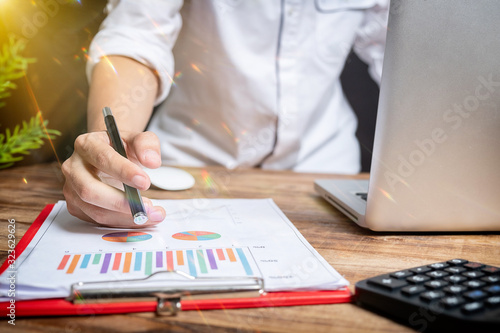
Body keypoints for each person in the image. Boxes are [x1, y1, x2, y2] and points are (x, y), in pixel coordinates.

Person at [62, 0, 389, 227]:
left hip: (326, 171)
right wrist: (110, 154)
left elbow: (403, 50)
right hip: (188, 165)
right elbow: (136, 37)